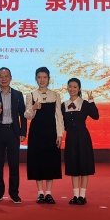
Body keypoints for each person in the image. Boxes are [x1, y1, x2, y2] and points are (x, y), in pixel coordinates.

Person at [0, 67, 26, 203]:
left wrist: (23, 132)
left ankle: (14, 193)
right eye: (1, 77)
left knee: (14, 165)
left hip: (13, 132)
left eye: (6, 76)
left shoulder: (18, 94)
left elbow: (22, 115)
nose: (3, 79)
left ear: (10, 78)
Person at [25, 66, 64, 204]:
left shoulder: (55, 95)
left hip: (51, 132)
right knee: (37, 161)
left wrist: (60, 134)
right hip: (36, 132)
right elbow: (27, 115)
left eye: (44, 77)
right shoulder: (31, 95)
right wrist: (33, 108)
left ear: (49, 79)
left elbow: (59, 116)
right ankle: (40, 193)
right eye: (39, 77)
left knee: (50, 161)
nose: (42, 80)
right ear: (36, 79)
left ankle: (49, 193)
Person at [61, 78, 100, 205]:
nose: (72, 89)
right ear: (67, 88)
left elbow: (96, 116)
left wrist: (91, 101)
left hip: (83, 138)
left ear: (79, 89)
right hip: (70, 139)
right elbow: (61, 123)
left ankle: (82, 196)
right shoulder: (63, 105)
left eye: (75, 87)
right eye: (70, 86)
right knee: (73, 166)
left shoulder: (85, 103)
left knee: (84, 166)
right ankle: (75, 195)